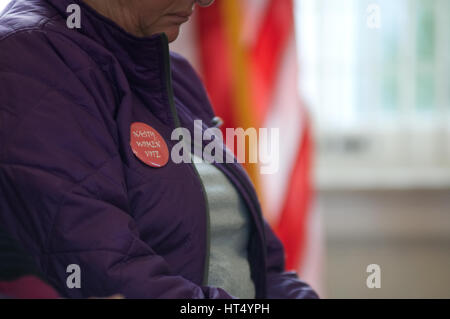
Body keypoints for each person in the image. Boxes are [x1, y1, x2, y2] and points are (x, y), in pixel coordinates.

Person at [0, 0, 319, 299]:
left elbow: (262, 265)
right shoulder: (25, 59)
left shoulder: (174, 74)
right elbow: (113, 275)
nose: (206, 2)